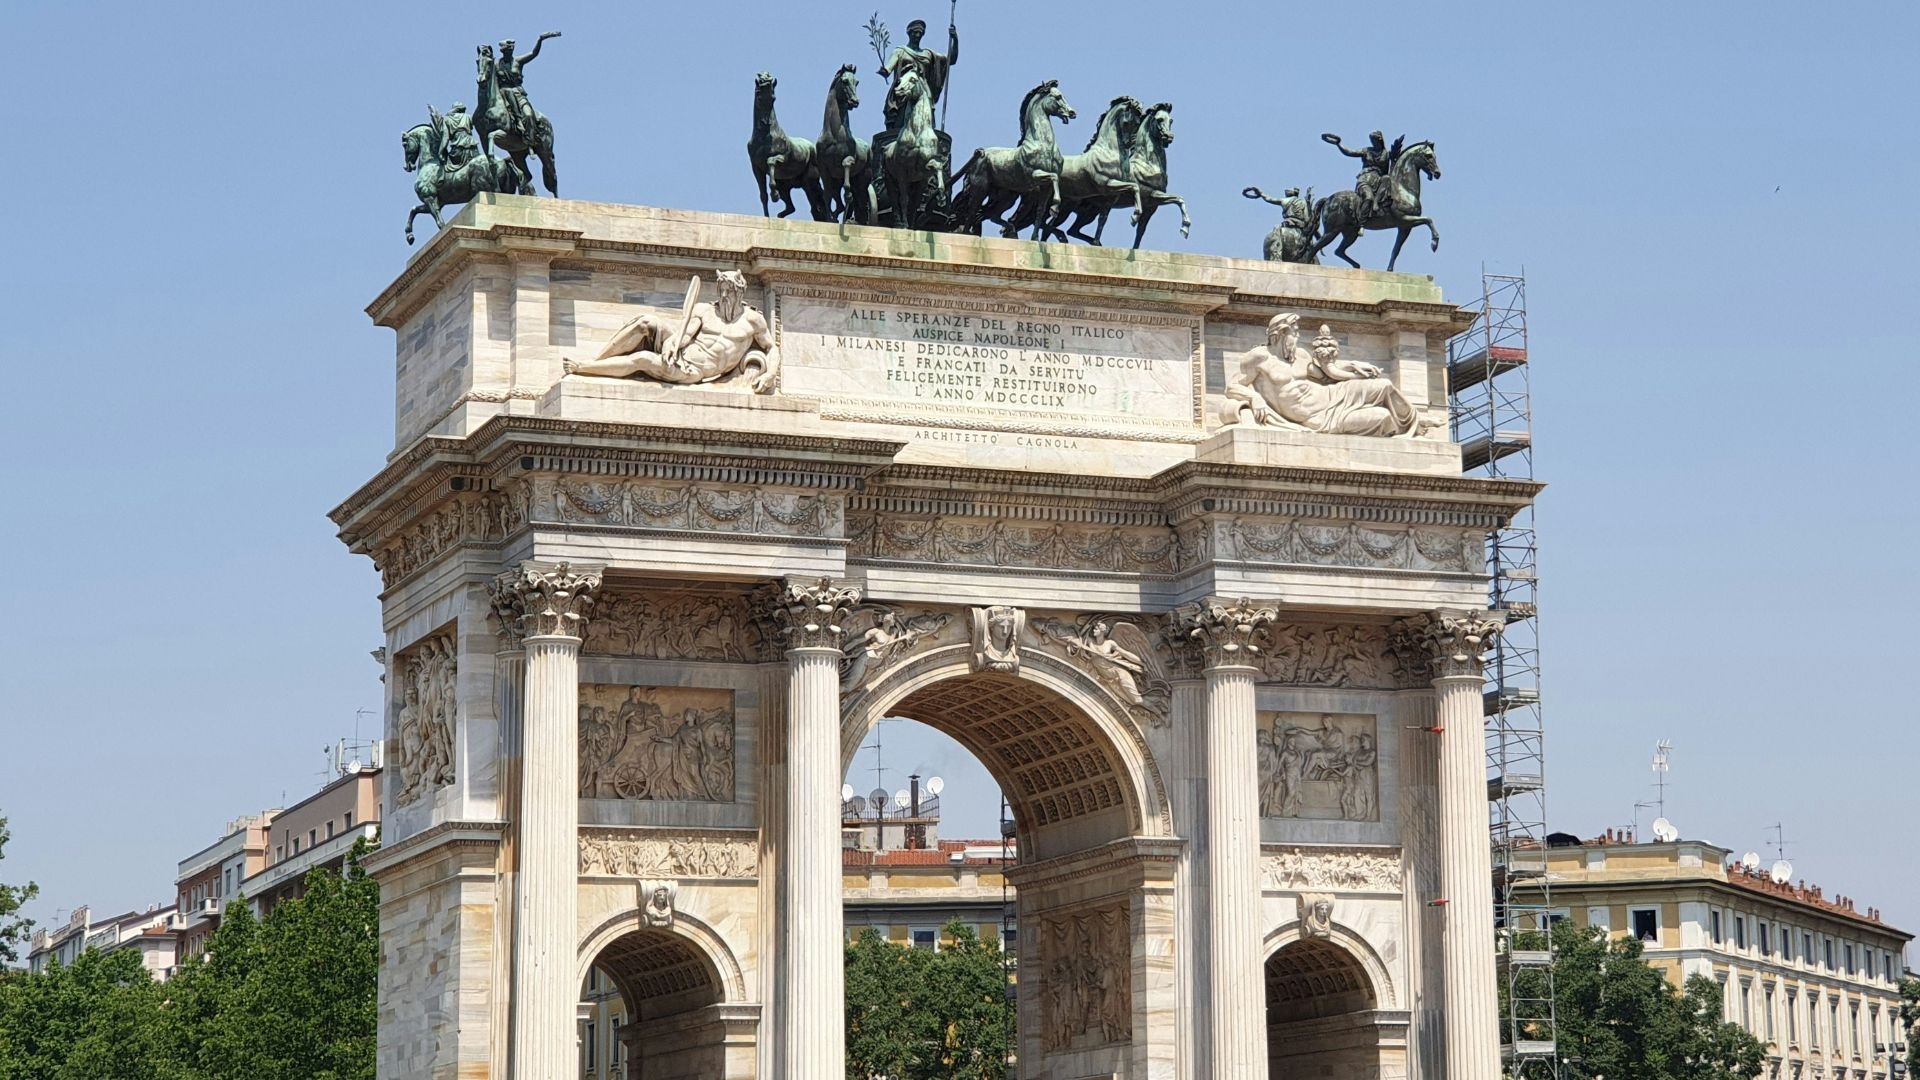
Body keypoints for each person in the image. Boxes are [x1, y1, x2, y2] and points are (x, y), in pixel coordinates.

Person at [564, 271, 778, 390]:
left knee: (643, 359)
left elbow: (772, 348)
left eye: (729, 292)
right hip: (679, 353)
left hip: (693, 371)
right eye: (721, 291)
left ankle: (583, 368)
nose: (724, 296)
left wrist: (770, 374)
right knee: (645, 322)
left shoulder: (754, 320)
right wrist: (670, 344)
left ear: (740, 293)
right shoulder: (704, 310)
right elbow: (685, 335)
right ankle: (597, 362)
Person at [1223, 314, 1419, 437]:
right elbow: (1232, 387)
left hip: (1331, 396)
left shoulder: (1300, 355)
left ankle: (1415, 424)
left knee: (1383, 385)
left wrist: (1354, 366)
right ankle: (1405, 427)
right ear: (1281, 333)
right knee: (1383, 417)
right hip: (1318, 418)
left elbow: (1329, 375)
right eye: (1295, 332)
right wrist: (1254, 398)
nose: (1298, 337)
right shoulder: (1258, 357)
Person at [878, 18, 958, 135]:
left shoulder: (928, 54)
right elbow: (889, 67)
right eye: (915, 32)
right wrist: (885, 70)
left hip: (923, 90)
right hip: (904, 90)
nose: (917, 35)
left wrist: (955, 39)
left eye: (920, 33)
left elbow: (951, 59)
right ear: (909, 33)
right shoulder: (900, 51)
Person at [492, 31, 561, 140]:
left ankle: (530, 138)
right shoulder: (496, 65)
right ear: (503, 51)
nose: (510, 52)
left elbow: (533, 53)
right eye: (507, 50)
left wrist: (540, 39)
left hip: (517, 93)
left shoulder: (518, 61)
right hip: (502, 95)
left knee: (528, 115)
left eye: (511, 50)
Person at [1322, 130, 1398, 220]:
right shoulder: (1366, 151)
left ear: (1380, 140)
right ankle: (1361, 220)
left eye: (1374, 140)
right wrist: (1339, 144)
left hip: (1378, 181)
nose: (1373, 143)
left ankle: (1376, 204)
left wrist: (1394, 157)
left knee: (1387, 178)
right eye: (1372, 141)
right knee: (1368, 197)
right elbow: (1349, 152)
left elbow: (1392, 169)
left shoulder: (1386, 154)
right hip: (1365, 180)